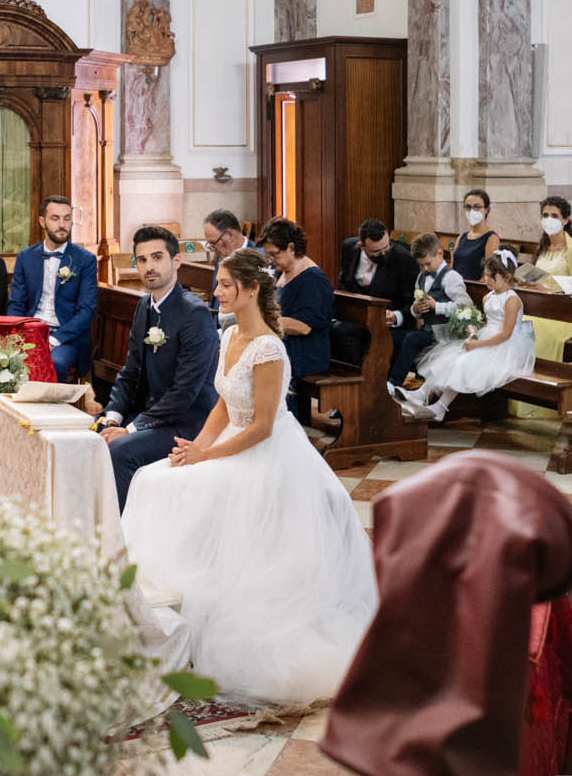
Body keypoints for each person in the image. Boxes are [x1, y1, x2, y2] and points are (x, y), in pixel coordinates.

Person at [119, 249, 378, 704]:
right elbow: (222, 403)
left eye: (224, 285)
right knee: (153, 479)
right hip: (226, 445)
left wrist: (208, 458)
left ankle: (204, 615)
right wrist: (196, 447)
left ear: (251, 289)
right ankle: (157, 616)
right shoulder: (231, 333)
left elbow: (260, 426)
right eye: (218, 284)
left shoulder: (268, 348)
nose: (215, 292)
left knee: (185, 486)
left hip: (266, 454)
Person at [86, 226, 219, 506]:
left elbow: (185, 393)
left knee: (121, 449)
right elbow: (131, 371)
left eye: (157, 257)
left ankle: (120, 536)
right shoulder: (145, 305)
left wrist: (132, 429)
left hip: (188, 422)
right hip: (152, 413)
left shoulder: (195, 314)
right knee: (93, 435)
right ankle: (92, 521)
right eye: (142, 260)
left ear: (176, 261)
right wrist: (113, 415)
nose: (149, 267)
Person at [394, 249, 535, 423]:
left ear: (506, 277)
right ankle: (421, 394)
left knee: (464, 362)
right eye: (485, 276)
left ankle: (439, 407)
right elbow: (486, 323)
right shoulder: (488, 297)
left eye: (492, 277)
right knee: (451, 358)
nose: (486, 280)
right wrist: (473, 333)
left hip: (506, 347)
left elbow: (506, 334)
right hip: (487, 338)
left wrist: (478, 345)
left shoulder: (512, 300)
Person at [9, 194, 100, 380]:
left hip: (67, 337)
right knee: (3, 359)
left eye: (67, 218)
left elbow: (86, 311)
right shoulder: (25, 258)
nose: (62, 225)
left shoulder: (85, 260)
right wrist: (17, 335)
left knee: (53, 362)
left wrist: (53, 340)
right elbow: (16, 304)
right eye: (55, 218)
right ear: (42, 221)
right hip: (31, 331)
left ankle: (51, 409)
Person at [257, 217, 332, 421]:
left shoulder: (313, 280)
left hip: (307, 351)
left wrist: (260, 322)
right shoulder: (281, 272)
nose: (271, 260)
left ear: (291, 247)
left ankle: (280, 425)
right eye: (268, 255)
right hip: (286, 344)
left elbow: (303, 326)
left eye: (274, 254)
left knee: (265, 364)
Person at [387, 232, 468, 389]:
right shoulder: (422, 277)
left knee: (412, 339)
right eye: (421, 265)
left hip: (445, 333)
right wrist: (416, 309)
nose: (425, 268)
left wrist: (437, 306)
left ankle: (394, 384)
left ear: (440, 253)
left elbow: (465, 307)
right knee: (393, 336)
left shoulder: (451, 278)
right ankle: (386, 378)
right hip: (428, 330)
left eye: (428, 264)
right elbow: (415, 311)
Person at [333, 217, 418, 364]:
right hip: (355, 317)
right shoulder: (348, 247)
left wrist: (397, 316)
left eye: (386, 248)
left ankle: (363, 381)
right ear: (361, 246)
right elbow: (344, 283)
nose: (384, 254)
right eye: (377, 252)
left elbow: (412, 301)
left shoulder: (404, 258)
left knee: (346, 334)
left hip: (386, 323)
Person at [201, 208, 250, 315]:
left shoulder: (260, 260)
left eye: (214, 243)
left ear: (231, 235)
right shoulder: (221, 257)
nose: (213, 249)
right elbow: (215, 300)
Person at [536, 194, 572, 280]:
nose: (549, 220)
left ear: (565, 220)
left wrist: (549, 289)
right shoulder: (542, 246)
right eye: (545, 215)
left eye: (554, 216)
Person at [450, 188, 501, 280]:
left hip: (475, 288)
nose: (472, 211)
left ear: (486, 209)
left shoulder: (491, 238)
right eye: (468, 207)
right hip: (455, 286)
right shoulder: (461, 237)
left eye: (477, 207)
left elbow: (489, 275)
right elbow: (453, 267)